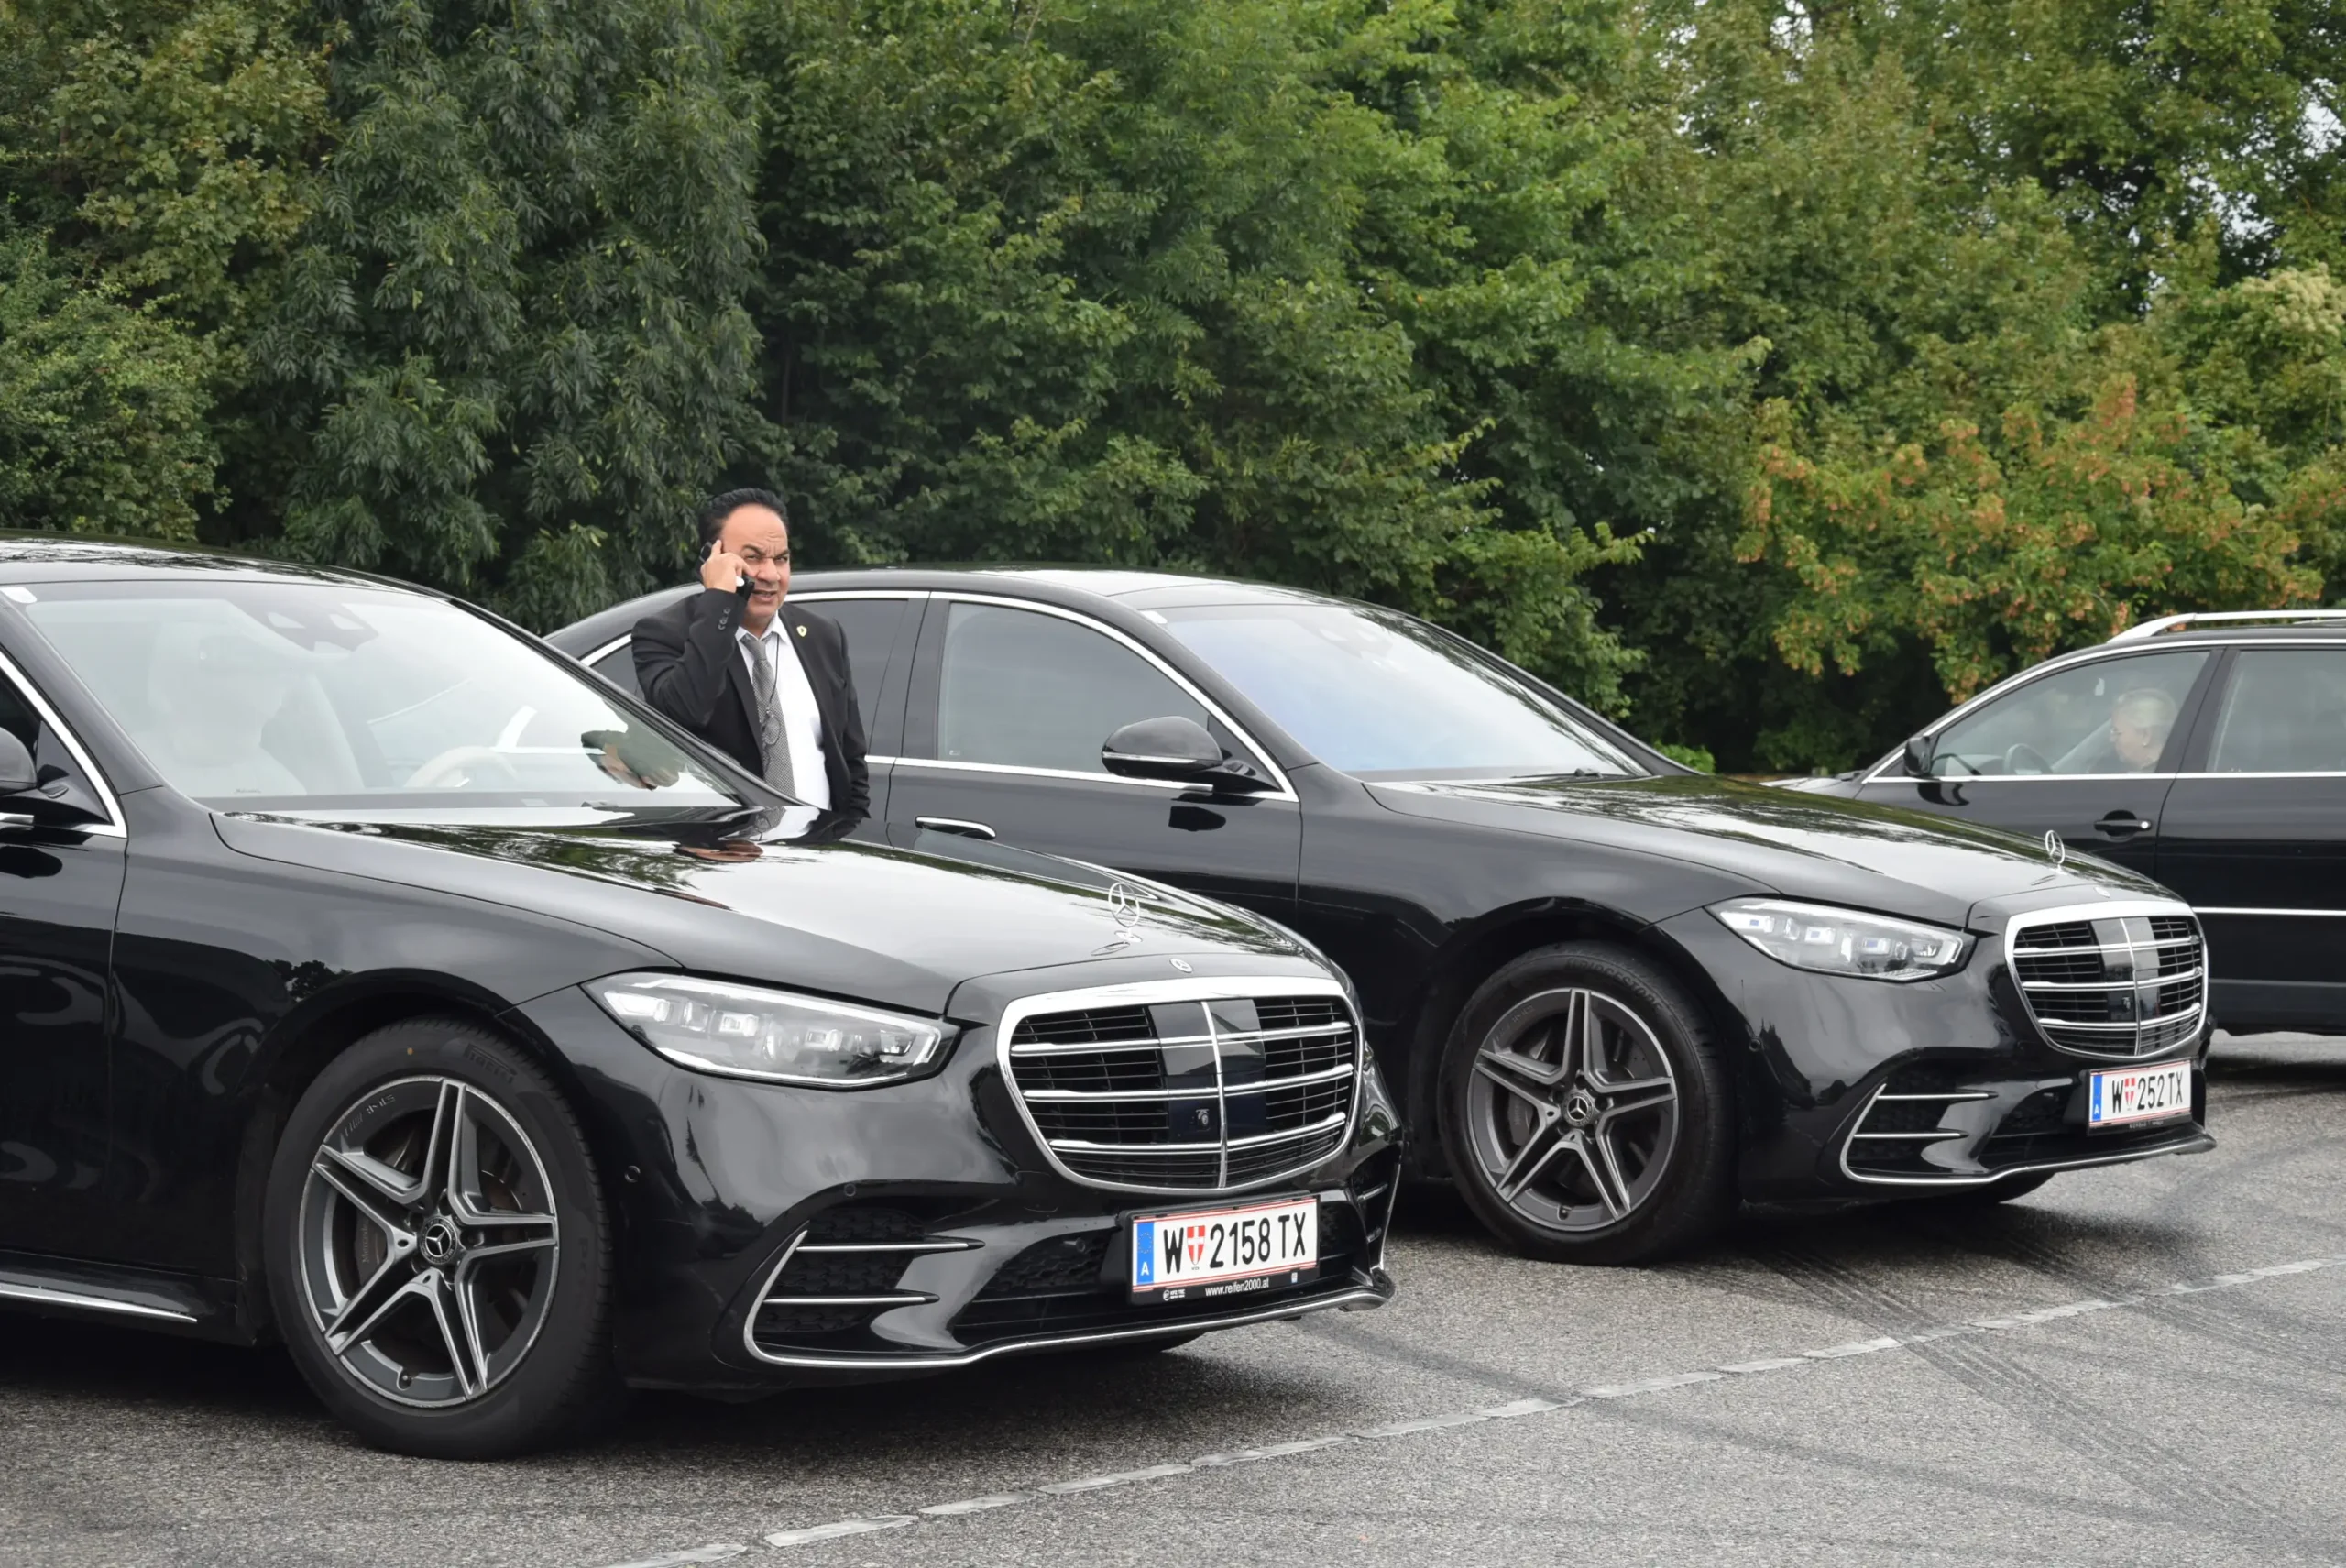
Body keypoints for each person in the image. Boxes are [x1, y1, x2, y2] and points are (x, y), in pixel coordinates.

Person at [631, 488, 869, 816]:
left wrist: (848, 826)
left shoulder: (822, 635)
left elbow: (851, 760)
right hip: (725, 843)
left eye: (781, 559)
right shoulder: (665, 634)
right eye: (753, 558)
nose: (770, 575)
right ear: (711, 559)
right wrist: (719, 602)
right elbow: (685, 713)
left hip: (818, 842)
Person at [2109, 686, 2178, 773]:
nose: (2111, 739)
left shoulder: (2153, 778)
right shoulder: (2178, 767)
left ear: (2145, 735)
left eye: (2116, 732)